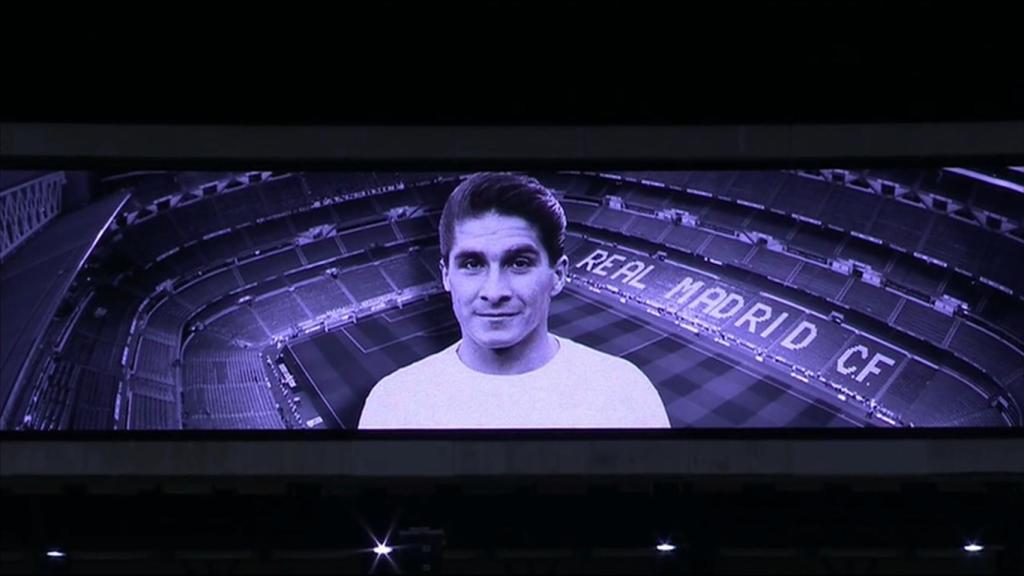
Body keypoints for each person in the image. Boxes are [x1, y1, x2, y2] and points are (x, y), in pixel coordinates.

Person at [358, 172, 670, 429]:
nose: (494, 292)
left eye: (519, 263)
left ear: (558, 275)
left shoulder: (626, 392)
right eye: (472, 264)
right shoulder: (392, 404)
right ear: (445, 276)